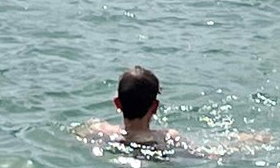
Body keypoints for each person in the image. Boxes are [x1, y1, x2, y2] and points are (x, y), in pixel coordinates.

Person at [76, 67, 204, 157]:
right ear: (155, 107)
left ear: (117, 103)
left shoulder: (100, 130)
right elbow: (200, 155)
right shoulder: (168, 137)